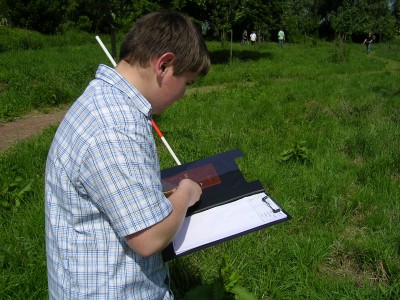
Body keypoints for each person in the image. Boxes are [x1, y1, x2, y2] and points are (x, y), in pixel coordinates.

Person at [45, 10, 210, 299]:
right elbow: (149, 238)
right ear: (164, 65)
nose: (184, 94)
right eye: (187, 82)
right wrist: (186, 193)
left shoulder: (104, 100)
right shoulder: (115, 125)